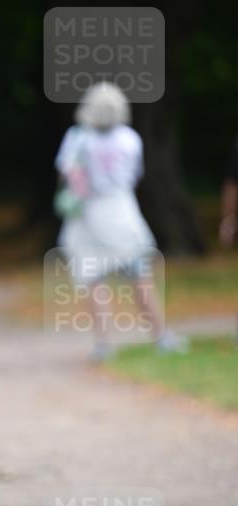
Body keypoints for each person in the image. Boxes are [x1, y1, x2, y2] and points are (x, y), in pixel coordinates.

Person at [55, 82, 185, 360]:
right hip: (123, 213)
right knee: (141, 278)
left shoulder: (78, 137)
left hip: (88, 217)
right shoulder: (130, 138)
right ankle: (161, 336)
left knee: (94, 280)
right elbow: (135, 175)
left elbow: (67, 176)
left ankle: (103, 345)